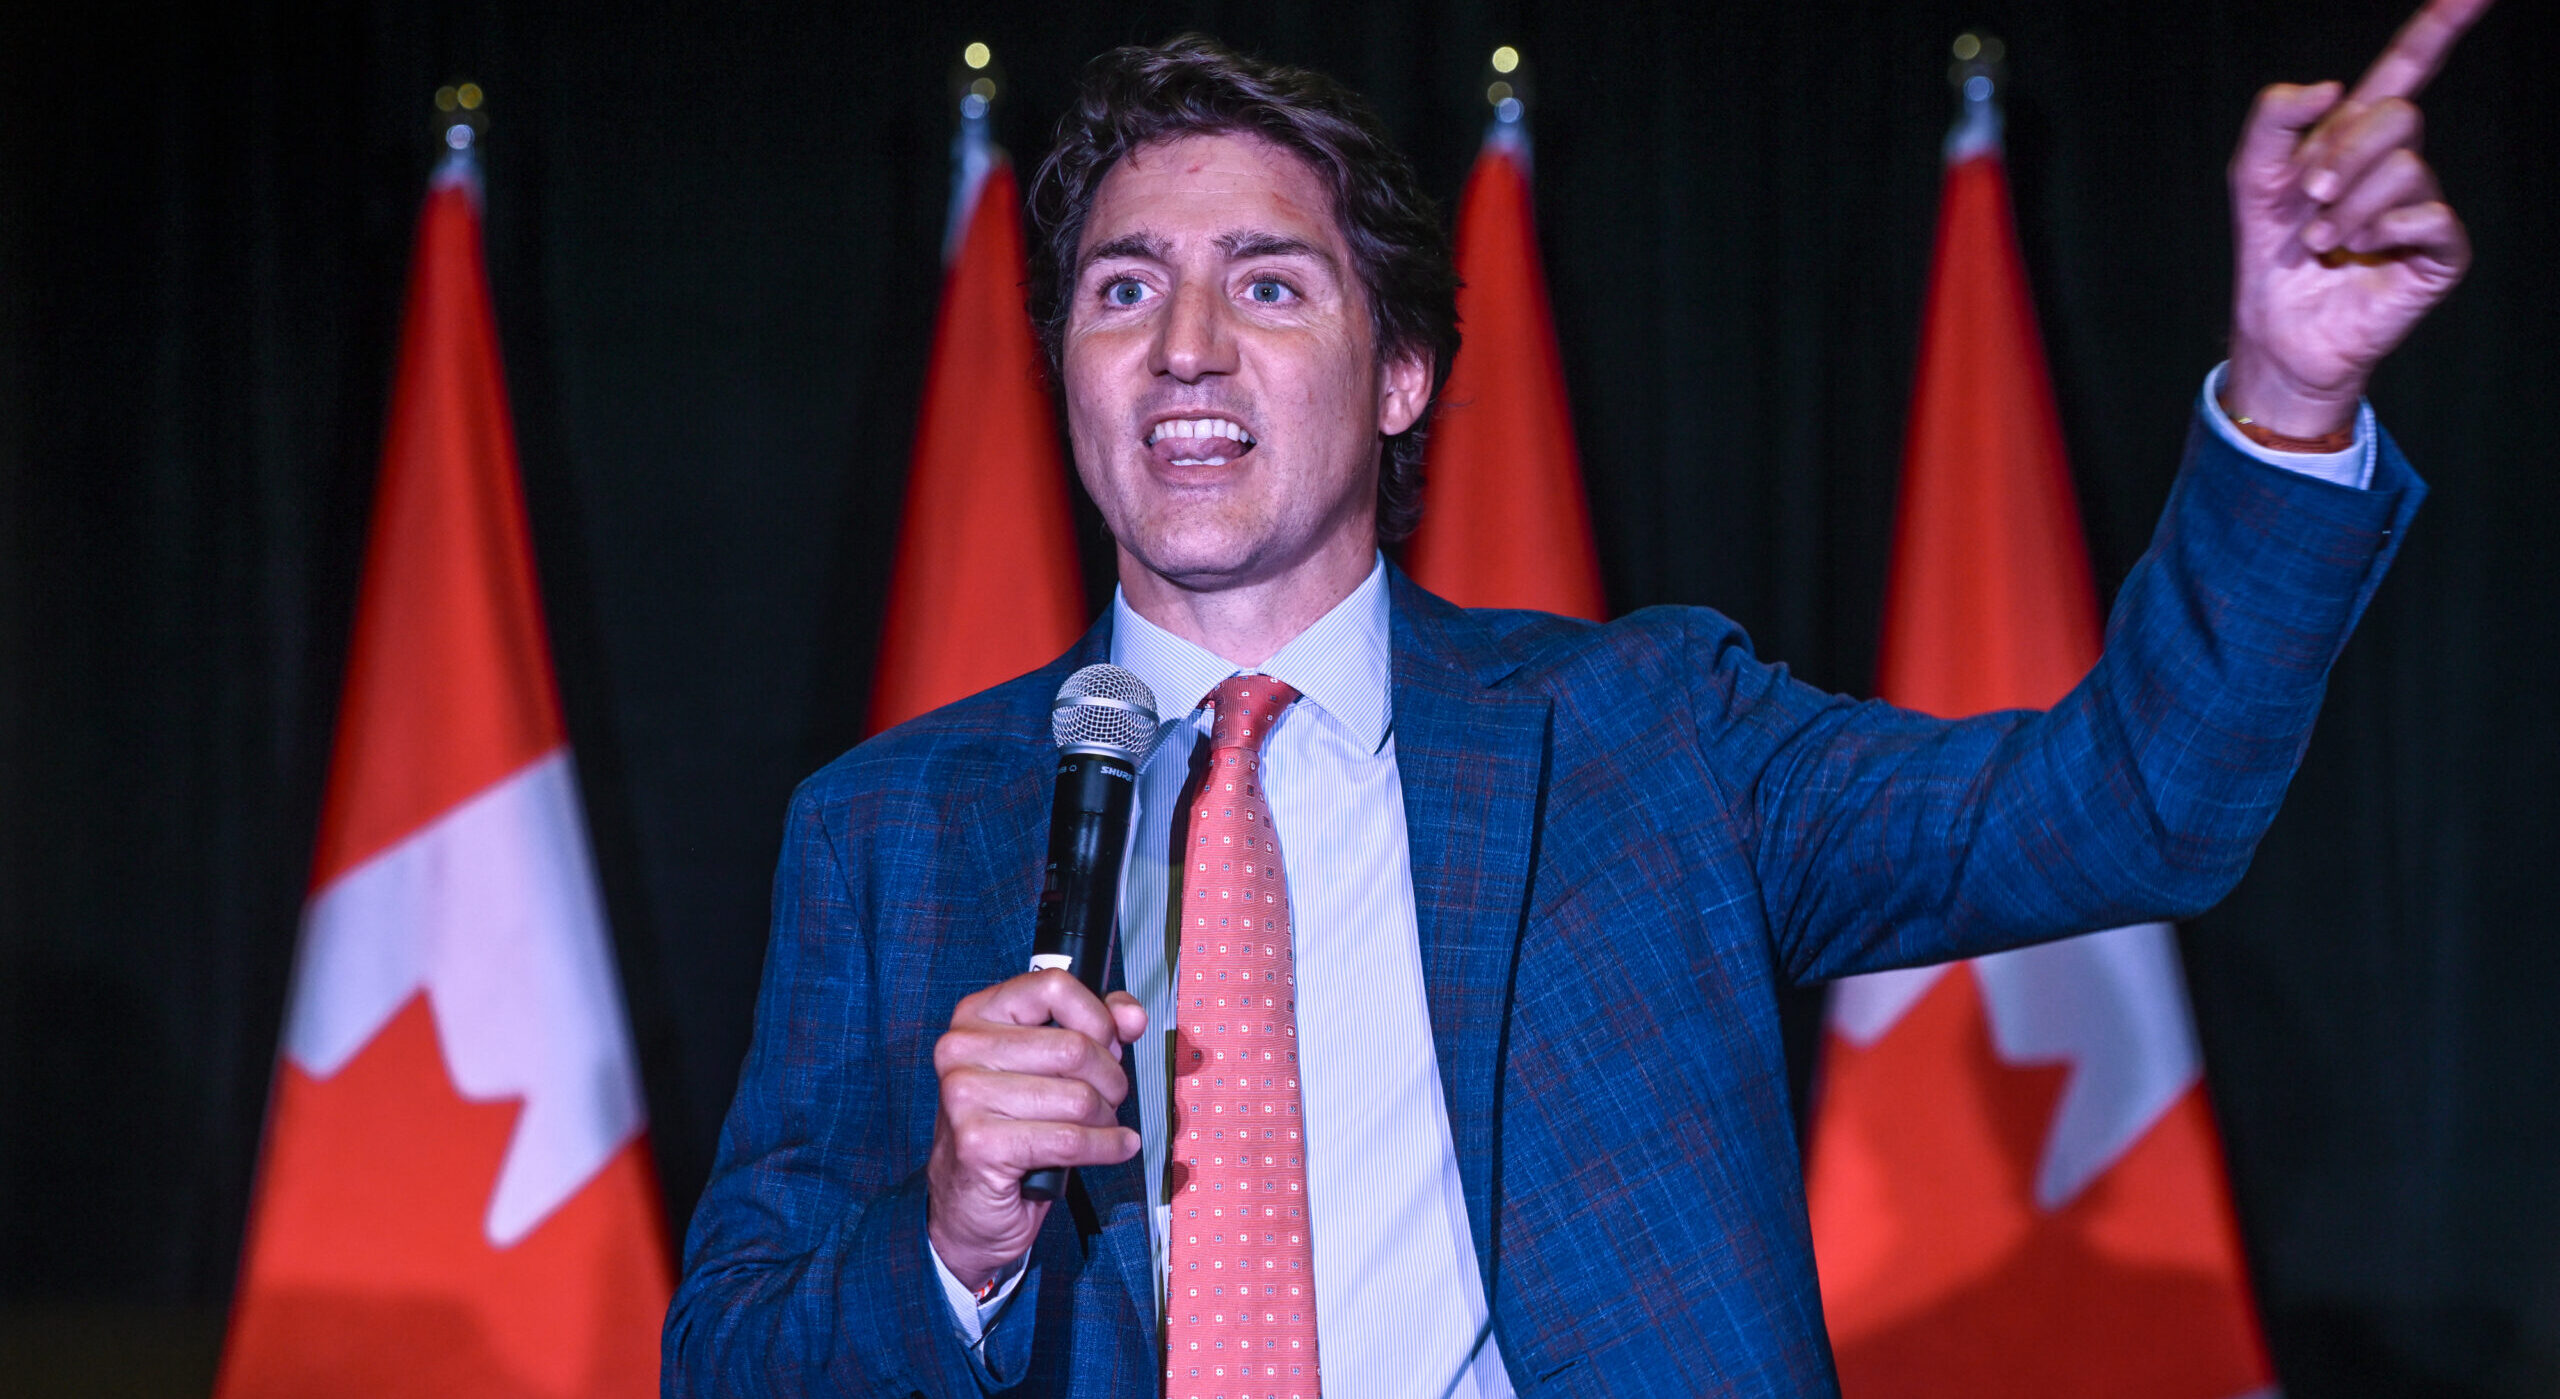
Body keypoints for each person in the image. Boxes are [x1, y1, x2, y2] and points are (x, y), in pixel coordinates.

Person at [666, 5, 2484, 1393]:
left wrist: (2291, 398)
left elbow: (2135, 804)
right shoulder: (887, 827)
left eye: (1268, 283)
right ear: (1068, 368)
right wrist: (950, 1237)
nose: (1186, 346)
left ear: (1399, 379)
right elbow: (727, 1354)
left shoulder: (1645, 737)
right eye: (1124, 289)